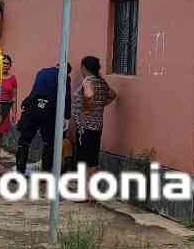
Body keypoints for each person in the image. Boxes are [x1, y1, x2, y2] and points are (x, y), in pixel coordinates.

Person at [15, 63, 72, 173]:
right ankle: (45, 170)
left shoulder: (42, 72)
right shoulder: (64, 77)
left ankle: (20, 169)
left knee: (24, 141)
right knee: (49, 142)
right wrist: (66, 116)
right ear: (67, 71)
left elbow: (34, 90)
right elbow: (66, 97)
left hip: (32, 108)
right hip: (49, 111)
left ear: (57, 65)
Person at [73, 56, 118, 188]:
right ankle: (92, 190)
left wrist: (86, 109)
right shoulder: (102, 82)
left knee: (83, 160)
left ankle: (83, 190)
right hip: (97, 127)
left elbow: (89, 95)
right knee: (92, 160)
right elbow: (113, 95)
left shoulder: (88, 81)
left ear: (84, 68)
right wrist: (100, 105)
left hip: (85, 127)